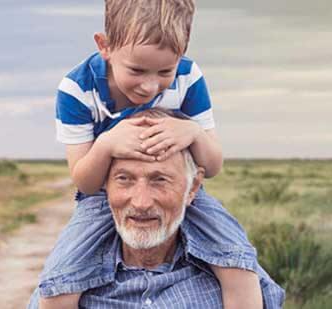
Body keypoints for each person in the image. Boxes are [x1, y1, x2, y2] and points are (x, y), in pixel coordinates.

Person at [36, 0, 277, 307]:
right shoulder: (78, 89)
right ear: (105, 46)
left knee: (236, 258)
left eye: (165, 71)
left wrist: (193, 133)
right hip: (100, 195)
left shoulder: (189, 77)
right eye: (136, 70)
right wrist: (107, 144)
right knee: (63, 275)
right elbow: (84, 180)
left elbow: (213, 164)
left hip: (182, 186)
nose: (150, 86)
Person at [28, 109, 284, 308]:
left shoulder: (236, 279)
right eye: (124, 179)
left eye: (159, 180)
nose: (141, 202)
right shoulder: (64, 280)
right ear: (104, 185)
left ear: (193, 187)